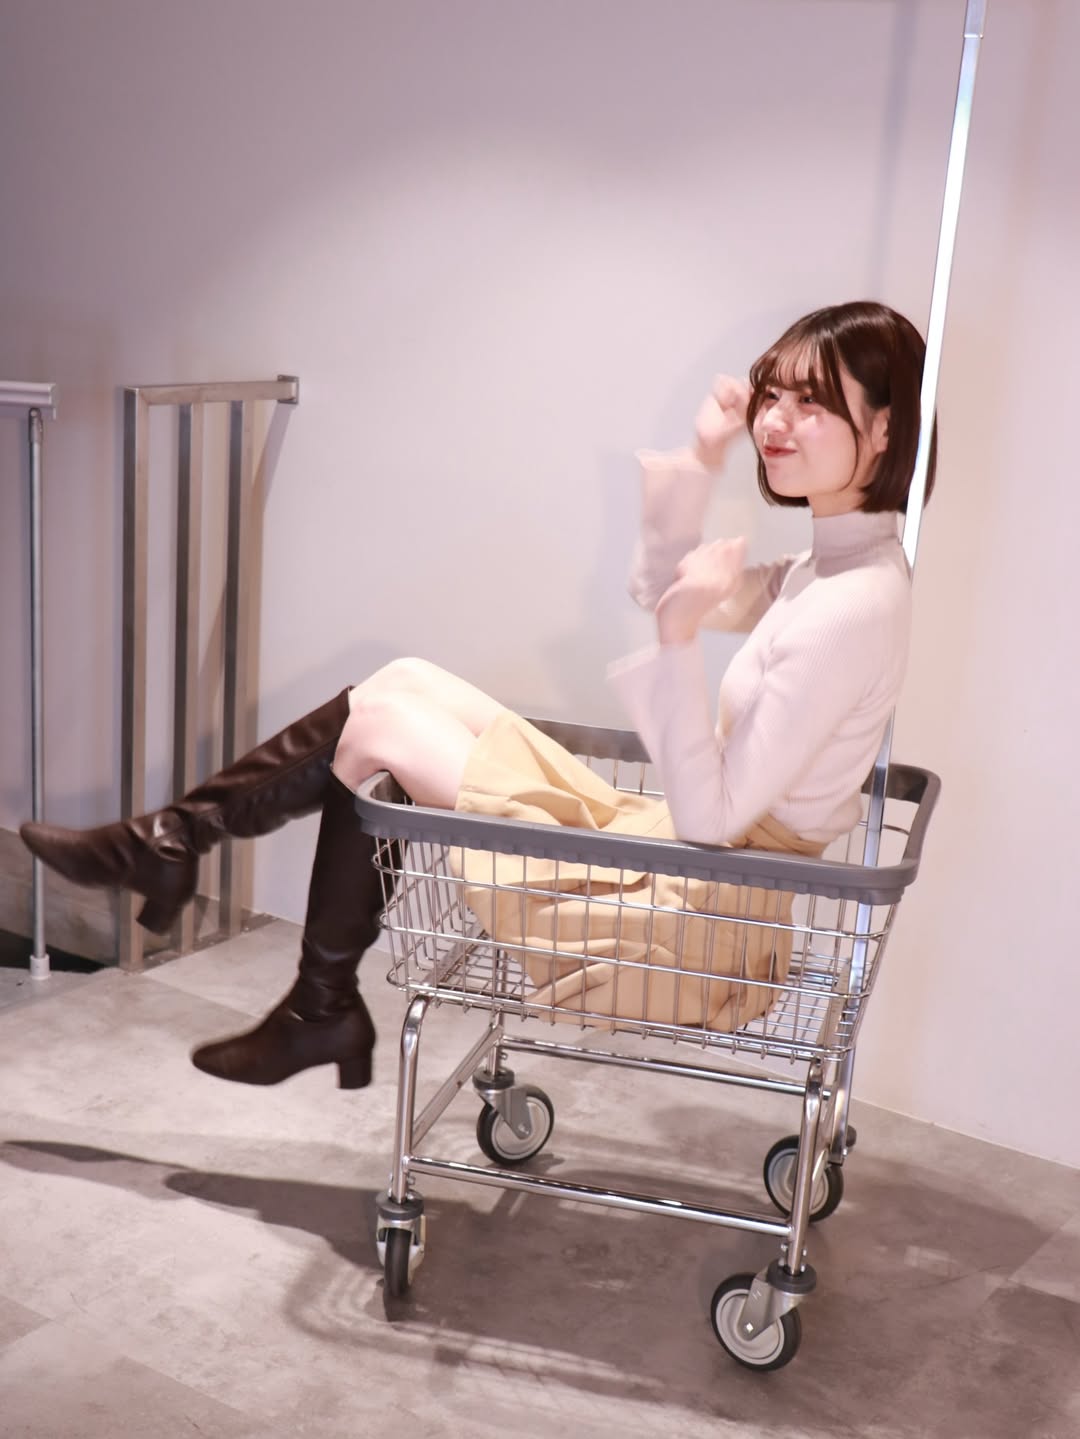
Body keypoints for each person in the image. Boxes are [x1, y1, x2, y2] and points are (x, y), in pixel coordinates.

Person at [21, 299, 936, 1088]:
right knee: (399, 683)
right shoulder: (832, 569)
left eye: (812, 403)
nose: (776, 420)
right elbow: (658, 586)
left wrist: (678, 639)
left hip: (696, 919)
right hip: (685, 868)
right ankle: (221, 897)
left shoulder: (850, 607)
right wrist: (703, 454)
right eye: (773, 394)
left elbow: (713, 817)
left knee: (378, 726)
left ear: (888, 427)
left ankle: (246, 927)